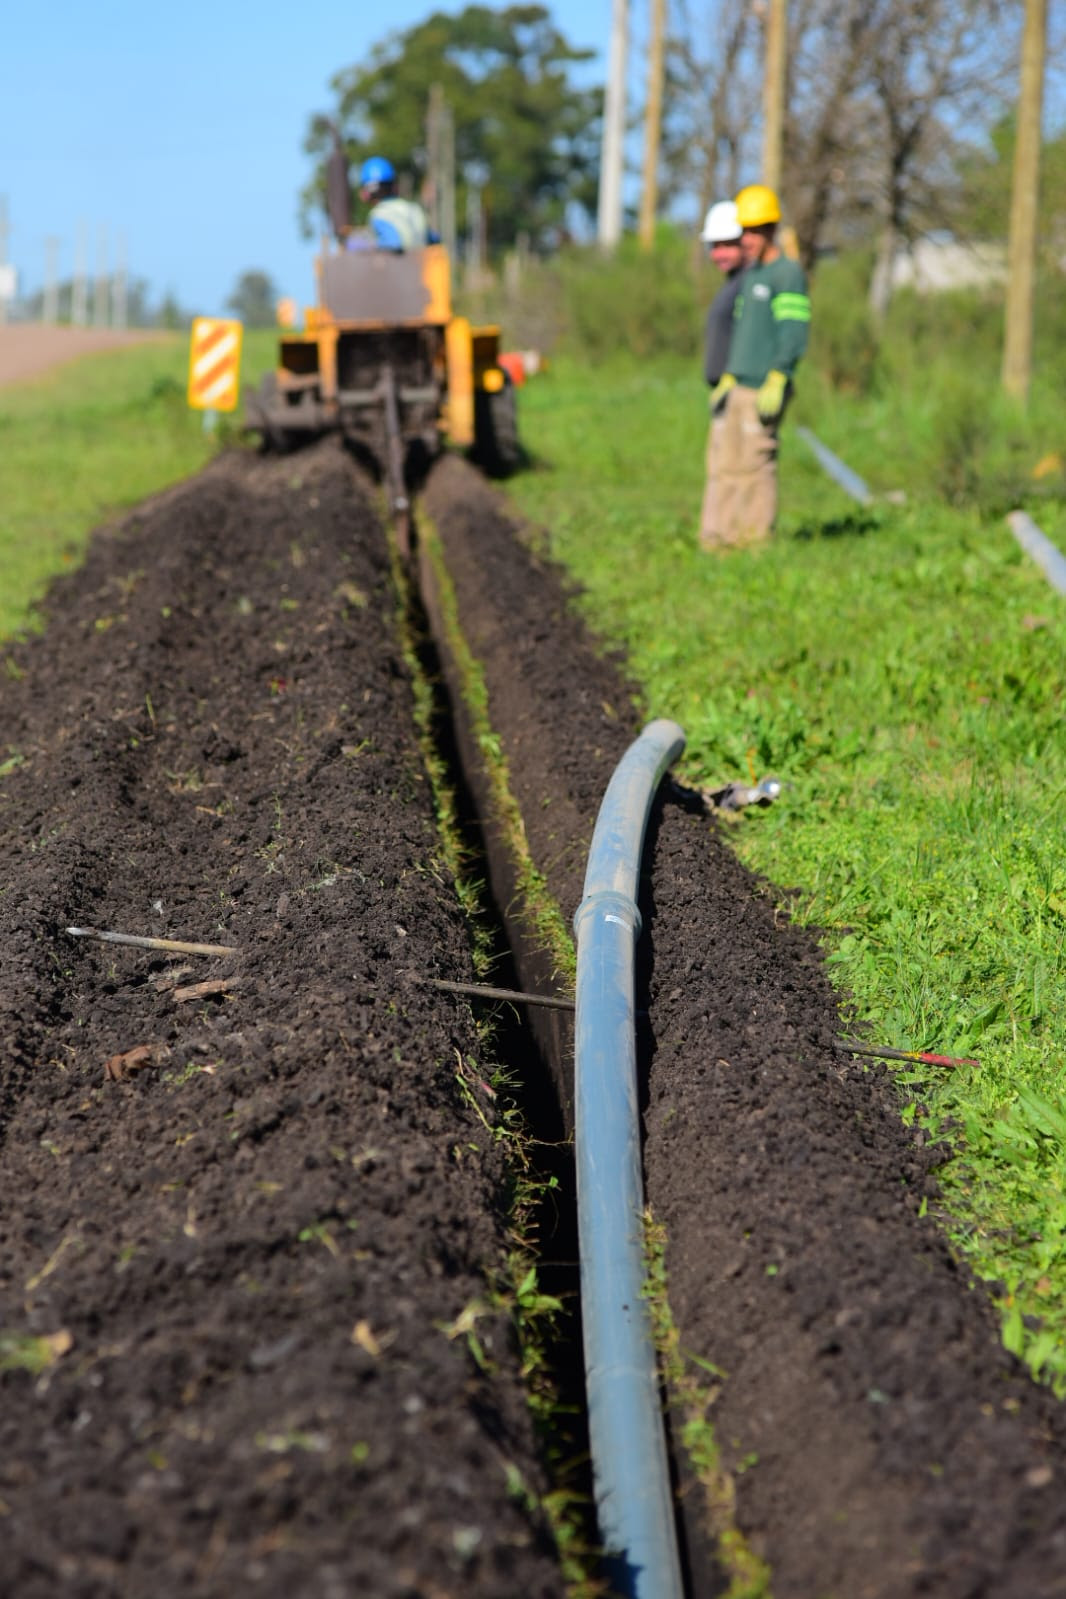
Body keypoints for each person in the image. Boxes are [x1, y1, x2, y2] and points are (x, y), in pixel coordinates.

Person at [703, 184, 811, 548]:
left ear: (770, 231)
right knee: (730, 467)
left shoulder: (787, 274)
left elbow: (793, 330)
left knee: (755, 468)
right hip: (740, 385)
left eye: (753, 231)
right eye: (743, 231)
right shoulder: (751, 277)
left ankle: (755, 540)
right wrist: (730, 374)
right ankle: (726, 539)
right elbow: (742, 331)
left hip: (763, 386)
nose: (745, 239)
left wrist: (780, 374)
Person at [698, 200, 746, 551]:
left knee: (735, 472)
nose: (720, 254)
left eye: (727, 244)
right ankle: (715, 540)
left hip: (740, 392)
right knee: (718, 468)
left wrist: (736, 375)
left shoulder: (748, 285)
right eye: (715, 246)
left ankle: (734, 543)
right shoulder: (731, 284)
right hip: (722, 392)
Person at [349, 156, 432, 253]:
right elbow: (432, 239)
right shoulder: (414, 208)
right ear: (394, 186)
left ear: (367, 193)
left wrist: (366, 244)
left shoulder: (379, 214)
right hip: (423, 264)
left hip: (400, 266)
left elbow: (394, 243)